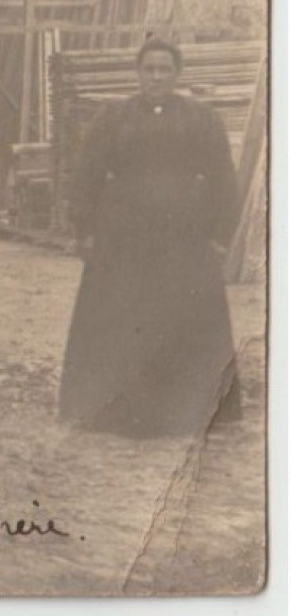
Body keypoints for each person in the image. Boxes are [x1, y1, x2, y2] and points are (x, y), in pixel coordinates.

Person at [58, 38, 244, 438]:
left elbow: (223, 182)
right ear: (137, 74)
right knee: (121, 321)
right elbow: (87, 175)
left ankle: (187, 411)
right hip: (122, 242)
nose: (156, 77)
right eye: (149, 69)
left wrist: (218, 235)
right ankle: (110, 410)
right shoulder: (113, 118)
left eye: (164, 70)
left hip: (184, 241)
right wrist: (83, 230)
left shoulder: (202, 120)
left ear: (177, 74)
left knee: (181, 321)